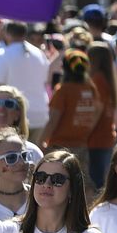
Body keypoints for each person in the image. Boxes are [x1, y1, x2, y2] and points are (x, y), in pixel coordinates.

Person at [43, 51, 103, 185]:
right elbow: (98, 110)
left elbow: (53, 120)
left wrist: (41, 142)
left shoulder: (63, 90)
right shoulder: (91, 89)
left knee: (58, 183)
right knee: (80, 184)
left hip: (59, 146)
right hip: (81, 145)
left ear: (65, 68)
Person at [0, 21, 52, 143]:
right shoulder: (39, 53)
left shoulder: (3, 55)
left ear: (6, 33)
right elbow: (46, 80)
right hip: (40, 114)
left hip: (15, 116)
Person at [83, 42, 117, 189]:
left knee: (95, 181)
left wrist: (85, 133)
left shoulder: (97, 79)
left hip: (96, 137)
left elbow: (97, 110)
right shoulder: (107, 79)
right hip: (105, 136)